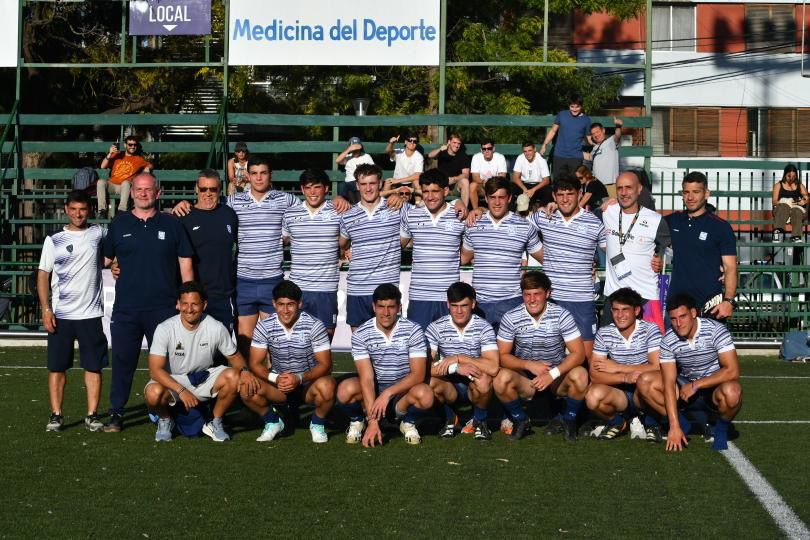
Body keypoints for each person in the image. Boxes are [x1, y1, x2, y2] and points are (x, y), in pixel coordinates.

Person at [102, 173, 194, 432]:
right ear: (131, 193)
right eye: (139, 189)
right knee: (122, 362)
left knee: (166, 364)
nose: (143, 194)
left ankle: (167, 410)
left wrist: (187, 298)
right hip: (127, 309)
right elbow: (103, 260)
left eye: (148, 189)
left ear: (158, 192)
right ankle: (116, 412)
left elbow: (185, 263)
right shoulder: (119, 224)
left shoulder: (172, 224)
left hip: (164, 308)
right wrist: (113, 264)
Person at [145, 281, 260, 442]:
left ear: (204, 305)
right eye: (185, 304)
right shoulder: (164, 328)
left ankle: (215, 421)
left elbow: (234, 357)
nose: (189, 309)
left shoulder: (216, 327)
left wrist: (246, 372)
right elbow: (155, 371)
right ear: (178, 304)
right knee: (153, 393)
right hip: (174, 381)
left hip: (202, 379)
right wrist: (181, 390)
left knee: (234, 376)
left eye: (194, 304)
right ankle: (165, 419)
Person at [38, 190, 108, 432]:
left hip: (90, 314)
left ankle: (92, 415)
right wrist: (46, 309)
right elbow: (43, 275)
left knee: (94, 366)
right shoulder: (53, 239)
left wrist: (115, 263)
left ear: (89, 210)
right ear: (66, 210)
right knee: (57, 367)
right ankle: (56, 414)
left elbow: (114, 253)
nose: (78, 214)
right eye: (74, 209)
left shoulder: (99, 233)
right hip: (61, 315)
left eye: (83, 209)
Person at [636, 294, 742, 451]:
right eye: (673, 319)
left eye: (683, 316)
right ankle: (681, 423)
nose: (678, 324)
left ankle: (720, 429)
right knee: (645, 381)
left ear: (693, 313)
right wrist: (674, 426)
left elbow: (732, 371)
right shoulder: (668, 340)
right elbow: (669, 383)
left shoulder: (716, 330)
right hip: (684, 391)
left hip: (713, 388)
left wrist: (696, 385)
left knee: (732, 392)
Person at [493, 271, 587, 442]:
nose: (532, 300)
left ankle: (569, 420)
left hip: (556, 378)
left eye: (537, 294)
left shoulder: (562, 315)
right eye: (527, 294)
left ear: (548, 293)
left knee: (580, 374)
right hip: (526, 379)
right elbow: (502, 356)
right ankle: (521, 420)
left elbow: (579, 354)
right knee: (500, 378)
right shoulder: (511, 317)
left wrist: (552, 374)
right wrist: (529, 365)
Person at [336, 284, 433, 447]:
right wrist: (372, 421)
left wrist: (387, 394)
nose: (386, 313)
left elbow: (418, 374)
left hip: (402, 391)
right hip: (375, 390)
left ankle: (407, 422)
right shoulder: (361, 334)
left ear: (399, 308)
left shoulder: (414, 330)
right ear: (374, 307)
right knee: (345, 390)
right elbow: (367, 378)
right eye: (381, 307)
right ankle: (358, 421)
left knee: (426, 394)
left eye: (391, 307)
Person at [244, 280, 337, 444]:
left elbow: (325, 365)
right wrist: (276, 378)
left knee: (328, 385)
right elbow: (255, 363)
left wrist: (299, 378)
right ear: (274, 304)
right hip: (279, 385)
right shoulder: (264, 326)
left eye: (290, 304)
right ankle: (273, 422)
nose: (285, 310)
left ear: (300, 304)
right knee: (246, 386)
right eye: (281, 304)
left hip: (307, 385)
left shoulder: (315, 325)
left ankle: (317, 423)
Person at [527, 176, 606, 359]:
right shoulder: (544, 216)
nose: (565, 199)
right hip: (552, 300)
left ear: (580, 194)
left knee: (586, 357)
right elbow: (516, 227)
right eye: (560, 195)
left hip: (582, 299)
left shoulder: (594, 222)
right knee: (548, 356)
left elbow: (612, 252)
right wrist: (479, 210)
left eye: (570, 194)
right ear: (554, 196)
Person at [461, 177, 544, 331]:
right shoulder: (473, 224)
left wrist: (582, 265)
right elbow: (462, 258)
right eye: (492, 197)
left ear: (509, 198)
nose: (497, 202)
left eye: (501, 197)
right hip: (480, 303)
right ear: (486, 198)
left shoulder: (524, 226)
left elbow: (546, 258)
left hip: (511, 302)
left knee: (510, 347)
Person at [426, 282, 500, 440]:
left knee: (485, 379)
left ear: (473, 304)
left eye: (464, 305)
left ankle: (480, 421)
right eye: (454, 306)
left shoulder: (484, 327)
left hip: (474, 381)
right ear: (447, 304)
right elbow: (425, 368)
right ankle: (450, 418)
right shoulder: (435, 327)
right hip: (449, 383)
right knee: (429, 382)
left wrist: (460, 357)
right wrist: (456, 367)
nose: (459, 311)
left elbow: (493, 367)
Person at [584, 288, 661, 440]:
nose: (620, 315)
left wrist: (618, 368)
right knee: (592, 396)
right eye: (616, 310)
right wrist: (625, 377)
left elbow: (657, 366)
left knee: (655, 381)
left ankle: (650, 422)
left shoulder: (650, 329)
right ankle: (618, 422)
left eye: (625, 310)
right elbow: (594, 375)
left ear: (637, 311)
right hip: (619, 392)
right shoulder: (604, 333)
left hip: (643, 390)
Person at [602, 171, 671, 333]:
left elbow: (671, 249)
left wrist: (661, 258)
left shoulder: (655, 220)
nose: (624, 192)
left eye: (629, 188)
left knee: (652, 346)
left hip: (645, 297)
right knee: (608, 345)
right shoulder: (607, 212)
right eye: (620, 188)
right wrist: (555, 206)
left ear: (639, 189)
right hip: (614, 297)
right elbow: (579, 215)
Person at [339, 164, 405, 330]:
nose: (368, 188)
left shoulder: (396, 207)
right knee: (359, 343)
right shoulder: (348, 215)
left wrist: (461, 202)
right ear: (357, 185)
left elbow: (427, 210)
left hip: (387, 291)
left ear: (380, 183)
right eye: (363, 184)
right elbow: (341, 244)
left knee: (391, 342)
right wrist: (346, 252)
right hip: (357, 290)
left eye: (372, 183)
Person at [663, 171, 737, 320]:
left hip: (709, 305)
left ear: (706, 194)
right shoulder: (672, 221)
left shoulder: (721, 227)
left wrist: (728, 301)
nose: (690, 197)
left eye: (696, 192)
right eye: (686, 192)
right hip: (677, 305)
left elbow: (730, 267)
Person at [400, 168, 466, 330]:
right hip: (420, 296)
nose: (430, 197)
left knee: (450, 345)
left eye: (435, 191)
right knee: (419, 345)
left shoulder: (460, 215)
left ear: (445, 191)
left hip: (449, 298)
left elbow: (470, 251)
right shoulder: (411, 215)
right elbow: (396, 246)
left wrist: (472, 207)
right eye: (426, 191)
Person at [282, 169, 342, 337]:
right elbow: (282, 240)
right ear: (302, 189)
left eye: (317, 187)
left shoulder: (338, 211)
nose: (312, 192)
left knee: (325, 336)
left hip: (326, 288)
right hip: (298, 288)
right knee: (296, 338)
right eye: (308, 188)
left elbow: (349, 239)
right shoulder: (290, 214)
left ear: (326, 188)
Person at [179, 169, 238, 333]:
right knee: (194, 347)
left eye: (213, 189)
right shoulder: (183, 216)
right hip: (194, 298)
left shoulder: (229, 214)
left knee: (222, 346)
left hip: (223, 296)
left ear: (220, 190)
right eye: (203, 189)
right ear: (196, 188)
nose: (208, 193)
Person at [97, 135, 152, 219]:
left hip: (124, 188)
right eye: (130, 144)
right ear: (125, 145)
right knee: (100, 182)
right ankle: (102, 211)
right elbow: (103, 166)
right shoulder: (118, 155)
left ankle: (121, 211)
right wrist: (110, 153)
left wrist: (147, 168)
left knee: (126, 183)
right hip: (112, 185)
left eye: (135, 145)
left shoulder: (139, 159)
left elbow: (149, 165)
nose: (132, 147)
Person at [540, 95, 591, 178]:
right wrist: (544, 144)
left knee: (574, 182)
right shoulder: (562, 115)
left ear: (581, 106)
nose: (574, 109)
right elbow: (553, 131)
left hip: (576, 156)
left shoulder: (586, 120)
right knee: (557, 181)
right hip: (559, 155)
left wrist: (599, 146)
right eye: (572, 106)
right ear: (569, 106)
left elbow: (589, 138)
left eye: (577, 107)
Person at [427, 132, 471, 208]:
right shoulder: (442, 153)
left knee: (465, 181)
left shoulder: (463, 156)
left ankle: (464, 210)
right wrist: (440, 149)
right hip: (441, 186)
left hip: (455, 187)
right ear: (449, 142)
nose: (456, 145)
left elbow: (466, 174)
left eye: (459, 143)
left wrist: (454, 179)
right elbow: (430, 155)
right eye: (454, 142)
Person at [585, 119, 622, 197]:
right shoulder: (595, 148)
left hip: (610, 184)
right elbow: (588, 157)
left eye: (597, 132)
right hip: (597, 185)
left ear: (603, 130)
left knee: (612, 204)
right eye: (593, 134)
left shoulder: (611, 142)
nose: (596, 135)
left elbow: (617, 136)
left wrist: (618, 126)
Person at [771, 163, 808, 243]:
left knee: (796, 211)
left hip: (796, 207)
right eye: (789, 176)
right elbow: (774, 201)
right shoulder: (778, 185)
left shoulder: (799, 185)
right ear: (785, 175)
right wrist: (785, 201)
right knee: (784, 206)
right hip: (782, 208)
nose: (791, 178)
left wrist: (803, 201)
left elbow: (807, 197)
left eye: (794, 176)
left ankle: (796, 236)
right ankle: (777, 232)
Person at [511, 141, 552, 212]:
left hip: (538, 185)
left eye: (530, 150)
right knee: (510, 188)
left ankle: (541, 210)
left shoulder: (541, 160)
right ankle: (511, 211)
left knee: (548, 190)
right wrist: (524, 189)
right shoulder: (520, 158)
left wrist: (533, 190)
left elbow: (546, 180)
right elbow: (515, 177)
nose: (527, 153)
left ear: (534, 149)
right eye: (525, 151)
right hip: (524, 185)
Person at [469, 139, 508, 210]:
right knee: (472, 185)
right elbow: (475, 177)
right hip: (482, 186)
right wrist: (483, 182)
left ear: (493, 149)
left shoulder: (500, 157)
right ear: (481, 150)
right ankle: (475, 210)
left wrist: (490, 183)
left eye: (489, 148)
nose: (486, 151)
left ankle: (498, 210)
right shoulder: (476, 157)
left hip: (496, 187)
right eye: (484, 149)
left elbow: (502, 177)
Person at [335, 136, 375, 204]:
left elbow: (373, 168)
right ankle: (343, 203)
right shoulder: (347, 158)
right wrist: (349, 149)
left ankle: (357, 204)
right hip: (349, 182)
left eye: (357, 148)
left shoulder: (366, 156)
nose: (355, 150)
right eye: (353, 148)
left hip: (362, 181)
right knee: (342, 185)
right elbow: (337, 161)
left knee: (359, 188)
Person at [384, 132, 424, 196]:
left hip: (410, 184)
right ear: (405, 142)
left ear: (417, 143)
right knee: (387, 182)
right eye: (410, 140)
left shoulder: (419, 156)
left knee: (417, 182)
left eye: (415, 141)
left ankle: (418, 201)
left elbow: (417, 175)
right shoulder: (399, 152)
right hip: (396, 183)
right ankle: (385, 201)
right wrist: (391, 143)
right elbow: (388, 151)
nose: (412, 142)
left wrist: (398, 180)